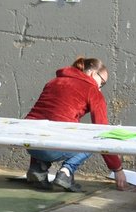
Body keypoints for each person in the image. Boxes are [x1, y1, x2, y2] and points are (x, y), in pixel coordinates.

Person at [24, 57, 129, 192]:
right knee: (93, 139)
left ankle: (38, 169)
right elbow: (102, 131)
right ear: (92, 73)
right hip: (52, 147)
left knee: (46, 124)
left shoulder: (53, 82)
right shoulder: (92, 91)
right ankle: (66, 172)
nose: (100, 87)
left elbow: (41, 116)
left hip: (29, 143)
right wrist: (117, 169)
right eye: (102, 82)